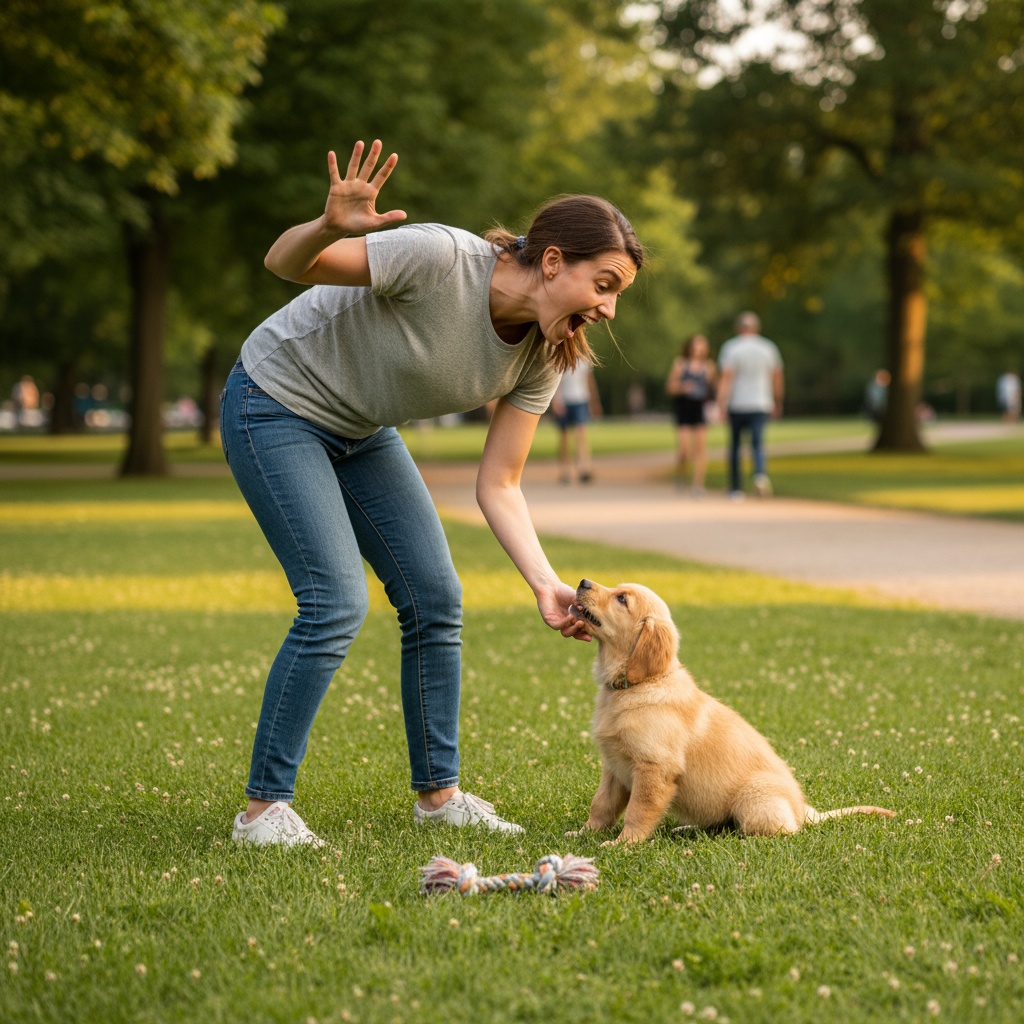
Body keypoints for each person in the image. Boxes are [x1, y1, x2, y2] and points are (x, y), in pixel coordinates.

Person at [220, 140, 643, 846]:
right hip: (274, 402)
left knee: (436, 597)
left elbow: (500, 482)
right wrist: (327, 227)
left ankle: (438, 795)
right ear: (551, 261)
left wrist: (545, 583)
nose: (609, 308)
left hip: (361, 428)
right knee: (334, 601)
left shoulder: (544, 353)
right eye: (604, 285)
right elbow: (285, 264)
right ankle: (263, 812)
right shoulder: (441, 258)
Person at [716, 312, 784, 499]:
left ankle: (736, 488)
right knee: (757, 443)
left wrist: (721, 402)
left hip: (737, 403)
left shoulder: (731, 347)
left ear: (738, 328)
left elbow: (726, 378)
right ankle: (760, 475)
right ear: (757, 328)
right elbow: (776, 377)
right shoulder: (768, 347)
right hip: (761, 402)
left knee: (735, 446)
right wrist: (778, 401)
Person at [665, 333, 716, 494]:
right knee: (684, 450)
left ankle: (698, 484)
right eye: (696, 345)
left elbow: (713, 390)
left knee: (700, 450)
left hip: (700, 410)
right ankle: (681, 476)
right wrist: (683, 387)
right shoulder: (680, 364)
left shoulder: (709, 367)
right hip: (684, 409)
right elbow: (670, 388)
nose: (699, 349)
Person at [550, 362, 601, 483]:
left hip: (581, 399)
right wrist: (556, 401)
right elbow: (555, 381)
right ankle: (565, 471)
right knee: (564, 437)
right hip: (564, 400)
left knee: (581, 435)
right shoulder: (561, 356)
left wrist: (594, 400)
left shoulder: (584, 359)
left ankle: (584, 468)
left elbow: (589, 379)